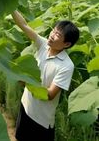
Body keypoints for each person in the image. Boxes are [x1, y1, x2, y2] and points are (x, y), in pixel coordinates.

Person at [11, 10, 80, 141]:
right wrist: (11, 7)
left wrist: (26, 81)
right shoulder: (43, 45)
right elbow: (24, 25)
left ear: (67, 44)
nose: (52, 35)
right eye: (53, 31)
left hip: (41, 120)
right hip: (25, 107)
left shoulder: (66, 65)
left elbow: (50, 94)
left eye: (58, 34)